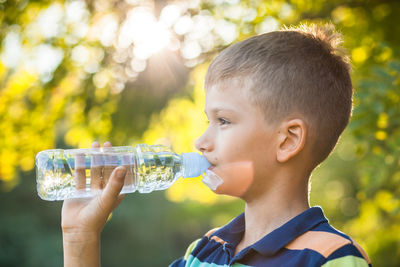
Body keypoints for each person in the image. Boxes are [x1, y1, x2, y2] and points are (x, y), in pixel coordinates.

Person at [61, 23, 372, 266]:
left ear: (287, 140)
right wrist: (79, 238)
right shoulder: (203, 253)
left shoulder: (333, 257)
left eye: (223, 121)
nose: (200, 141)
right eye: (207, 120)